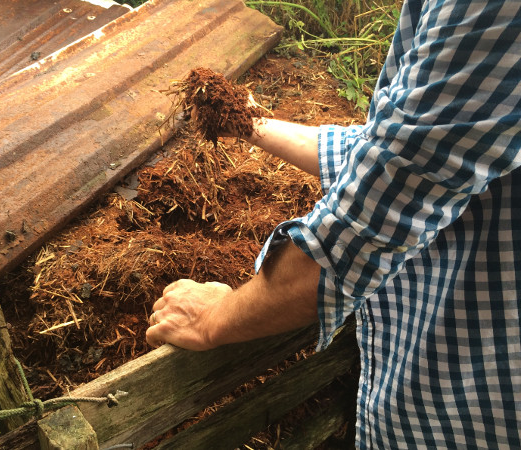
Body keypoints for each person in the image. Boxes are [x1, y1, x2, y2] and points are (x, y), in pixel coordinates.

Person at [146, 0, 521, 447]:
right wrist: (251, 124)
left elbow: (361, 229)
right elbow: (402, 150)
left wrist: (212, 319)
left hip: (464, 404)